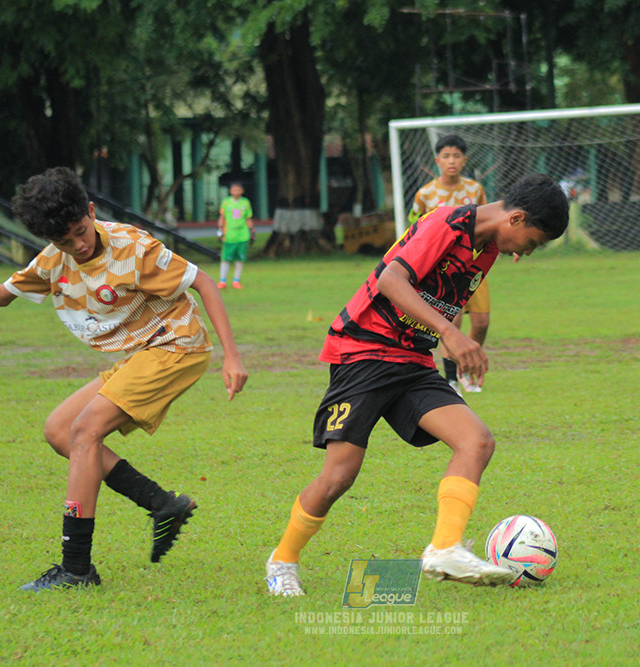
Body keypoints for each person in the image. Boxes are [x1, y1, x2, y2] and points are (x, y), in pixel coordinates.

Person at [0, 167, 248, 591]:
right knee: (60, 430)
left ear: (90, 211)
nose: (78, 245)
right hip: (143, 352)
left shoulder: (133, 247)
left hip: (177, 344)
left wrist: (232, 356)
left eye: (80, 232)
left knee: (85, 430)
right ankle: (162, 504)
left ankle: (76, 569)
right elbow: (2, 294)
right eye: (64, 240)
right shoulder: (55, 259)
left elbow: (203, 282)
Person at [265, 174, 569, 596]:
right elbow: (391, 281)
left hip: (411, 360)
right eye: (532, 242)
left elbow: (444, 297)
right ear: (515, 218)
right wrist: (451, 334)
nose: (528, 252)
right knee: (339, 476)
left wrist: (454, 341)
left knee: (477, 441)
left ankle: (444, 548)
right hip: (365, 349)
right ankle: (282, 560)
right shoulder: (445, 223)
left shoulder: (487, 249)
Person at [408, 134, 490, 394]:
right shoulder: (425, 194)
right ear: (437, 161)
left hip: (474, 265)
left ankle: (466, 367)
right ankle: (452, 378)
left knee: (481, 323)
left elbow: (489, 221)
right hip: (443, 269)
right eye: (446, 156)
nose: (451, 161)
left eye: (456, 156)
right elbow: (413, 228)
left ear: (464, 160)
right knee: (452, 322)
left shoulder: (475, 190)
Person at [217, 182, 255, 289]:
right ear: (230, 191)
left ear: (242, 191)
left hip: (242, 235)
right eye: (234, 189)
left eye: (238, 189)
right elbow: (222, 217)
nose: (236, 192)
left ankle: (236, 281)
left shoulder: (245, 202)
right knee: (225, 259)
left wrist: (252, 231)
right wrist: (220, 230)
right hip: (229, 235)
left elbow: (248, 218)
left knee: (240, 259)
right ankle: (222, 281)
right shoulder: (226, 202)